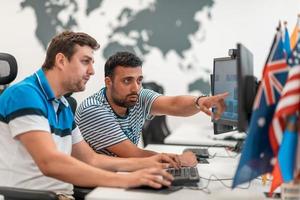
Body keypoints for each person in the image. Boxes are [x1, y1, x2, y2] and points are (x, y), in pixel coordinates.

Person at [0, 32, 179, 200]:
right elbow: (50, 162)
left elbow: (90, 159)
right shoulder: (24, 95)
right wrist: (128, 180)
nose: (92, 71)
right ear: (61, 60)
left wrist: (150, 163)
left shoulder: (61, 104)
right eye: (86, 61)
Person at [75, 51, 228, 167]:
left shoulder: (137, 96)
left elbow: (173, 104)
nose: (135, 88)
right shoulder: (94, 110)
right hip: (97, 186)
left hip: (126, 173)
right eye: (127, 81)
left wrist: (199, 101)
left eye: (139, 80)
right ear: (108, 82)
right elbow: (133, 154)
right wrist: (179, 160)